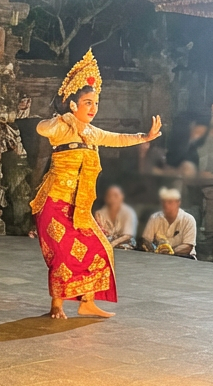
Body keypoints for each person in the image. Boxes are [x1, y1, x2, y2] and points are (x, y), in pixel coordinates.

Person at [31, 49, 162, 318]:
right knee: (63, 256)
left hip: (79, 208)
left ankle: (87, 302)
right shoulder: (62, 127)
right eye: (88, 102)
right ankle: (57, 305)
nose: (93, 108)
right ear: (73, 105)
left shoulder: (92, 133)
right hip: (54, 203)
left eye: (95, 103)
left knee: (100, 250)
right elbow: (41, 128)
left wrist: (145, 137)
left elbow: (118, 138)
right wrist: (64, 118)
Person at [142, 187, 197, 257]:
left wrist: (170, 251)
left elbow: (188, 247)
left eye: (170, 202)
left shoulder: (188, 219)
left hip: (184, 257)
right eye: (164, 202)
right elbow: (146, 240)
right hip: (158, 256)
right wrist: (154, 249)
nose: (166, 205)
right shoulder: (154, 218)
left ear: (178, 202)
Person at [94, 184, 138, 249]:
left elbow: (128, 235)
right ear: (106, 198)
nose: (112, 198)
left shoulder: (129, 213)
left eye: (115, 195)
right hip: (104, 244)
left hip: (124, 245)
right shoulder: (99, 213)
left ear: (122, 197)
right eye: (109, 196)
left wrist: (113, 243)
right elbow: (99, 233)